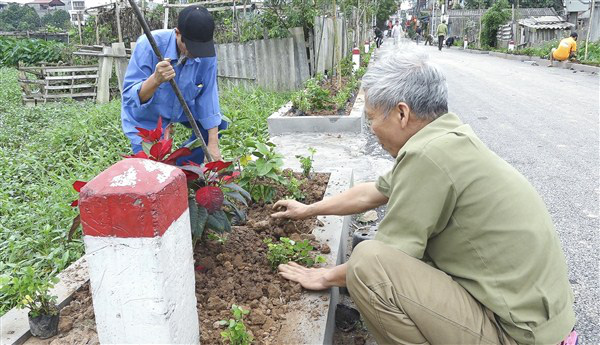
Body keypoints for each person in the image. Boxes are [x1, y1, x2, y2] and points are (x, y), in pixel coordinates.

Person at [271, 51, 577, 345]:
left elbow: (386, 257)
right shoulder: (447, 140)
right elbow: (373, 191)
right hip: (537, 323)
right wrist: (308, 209)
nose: (371, 129)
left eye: (372, 118)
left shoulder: (428, 156)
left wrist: (325, 277)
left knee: (368, 264)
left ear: (402, 113)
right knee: (380, 257)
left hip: (514, 334)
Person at [121, 5, 226, 164]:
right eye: (191, 47)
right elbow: (130, 98)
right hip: (148, 118)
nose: (195, 53)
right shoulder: (149, 45)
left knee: (217, 125)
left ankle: (180, 167)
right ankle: (166, 169)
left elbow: (208, 96)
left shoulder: (205, 53)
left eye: (200, 48)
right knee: (153, 167)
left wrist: (213, 145)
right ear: (177, 33)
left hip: (182, 110)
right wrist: (155, 80)